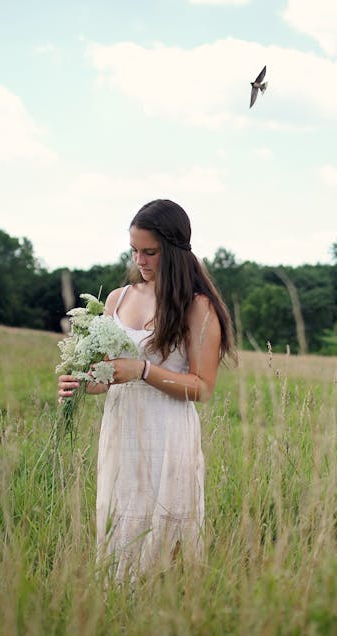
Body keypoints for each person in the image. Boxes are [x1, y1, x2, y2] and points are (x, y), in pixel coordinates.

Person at [58, 199, 235, 579]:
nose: (140, 260)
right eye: (134, 251)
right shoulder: (118, 299)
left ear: (174, 249)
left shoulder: (197, 307)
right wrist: (80, 383)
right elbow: (106, 378)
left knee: (165, 538)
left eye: (150, 252)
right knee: (121, 528)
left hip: (167, 434)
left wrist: (142, 370)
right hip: (121, 432)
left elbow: (202, 388)